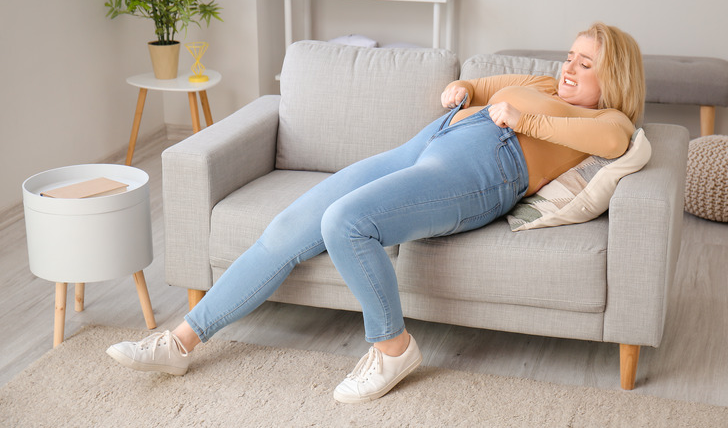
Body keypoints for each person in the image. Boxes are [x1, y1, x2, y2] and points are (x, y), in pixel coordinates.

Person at [107, 22, 645, 404]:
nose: (568, 67)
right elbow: (484, 88)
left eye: (585, 62)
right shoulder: (544, 85)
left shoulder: (612, 119)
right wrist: (464, 89)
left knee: (347, 222)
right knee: (288, 227)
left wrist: (520, 121)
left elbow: (612, 144)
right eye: (570, 55)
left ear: (613, 75)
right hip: (428, 144)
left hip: (481, 175)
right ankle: (180, 342)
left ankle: (393, 347)